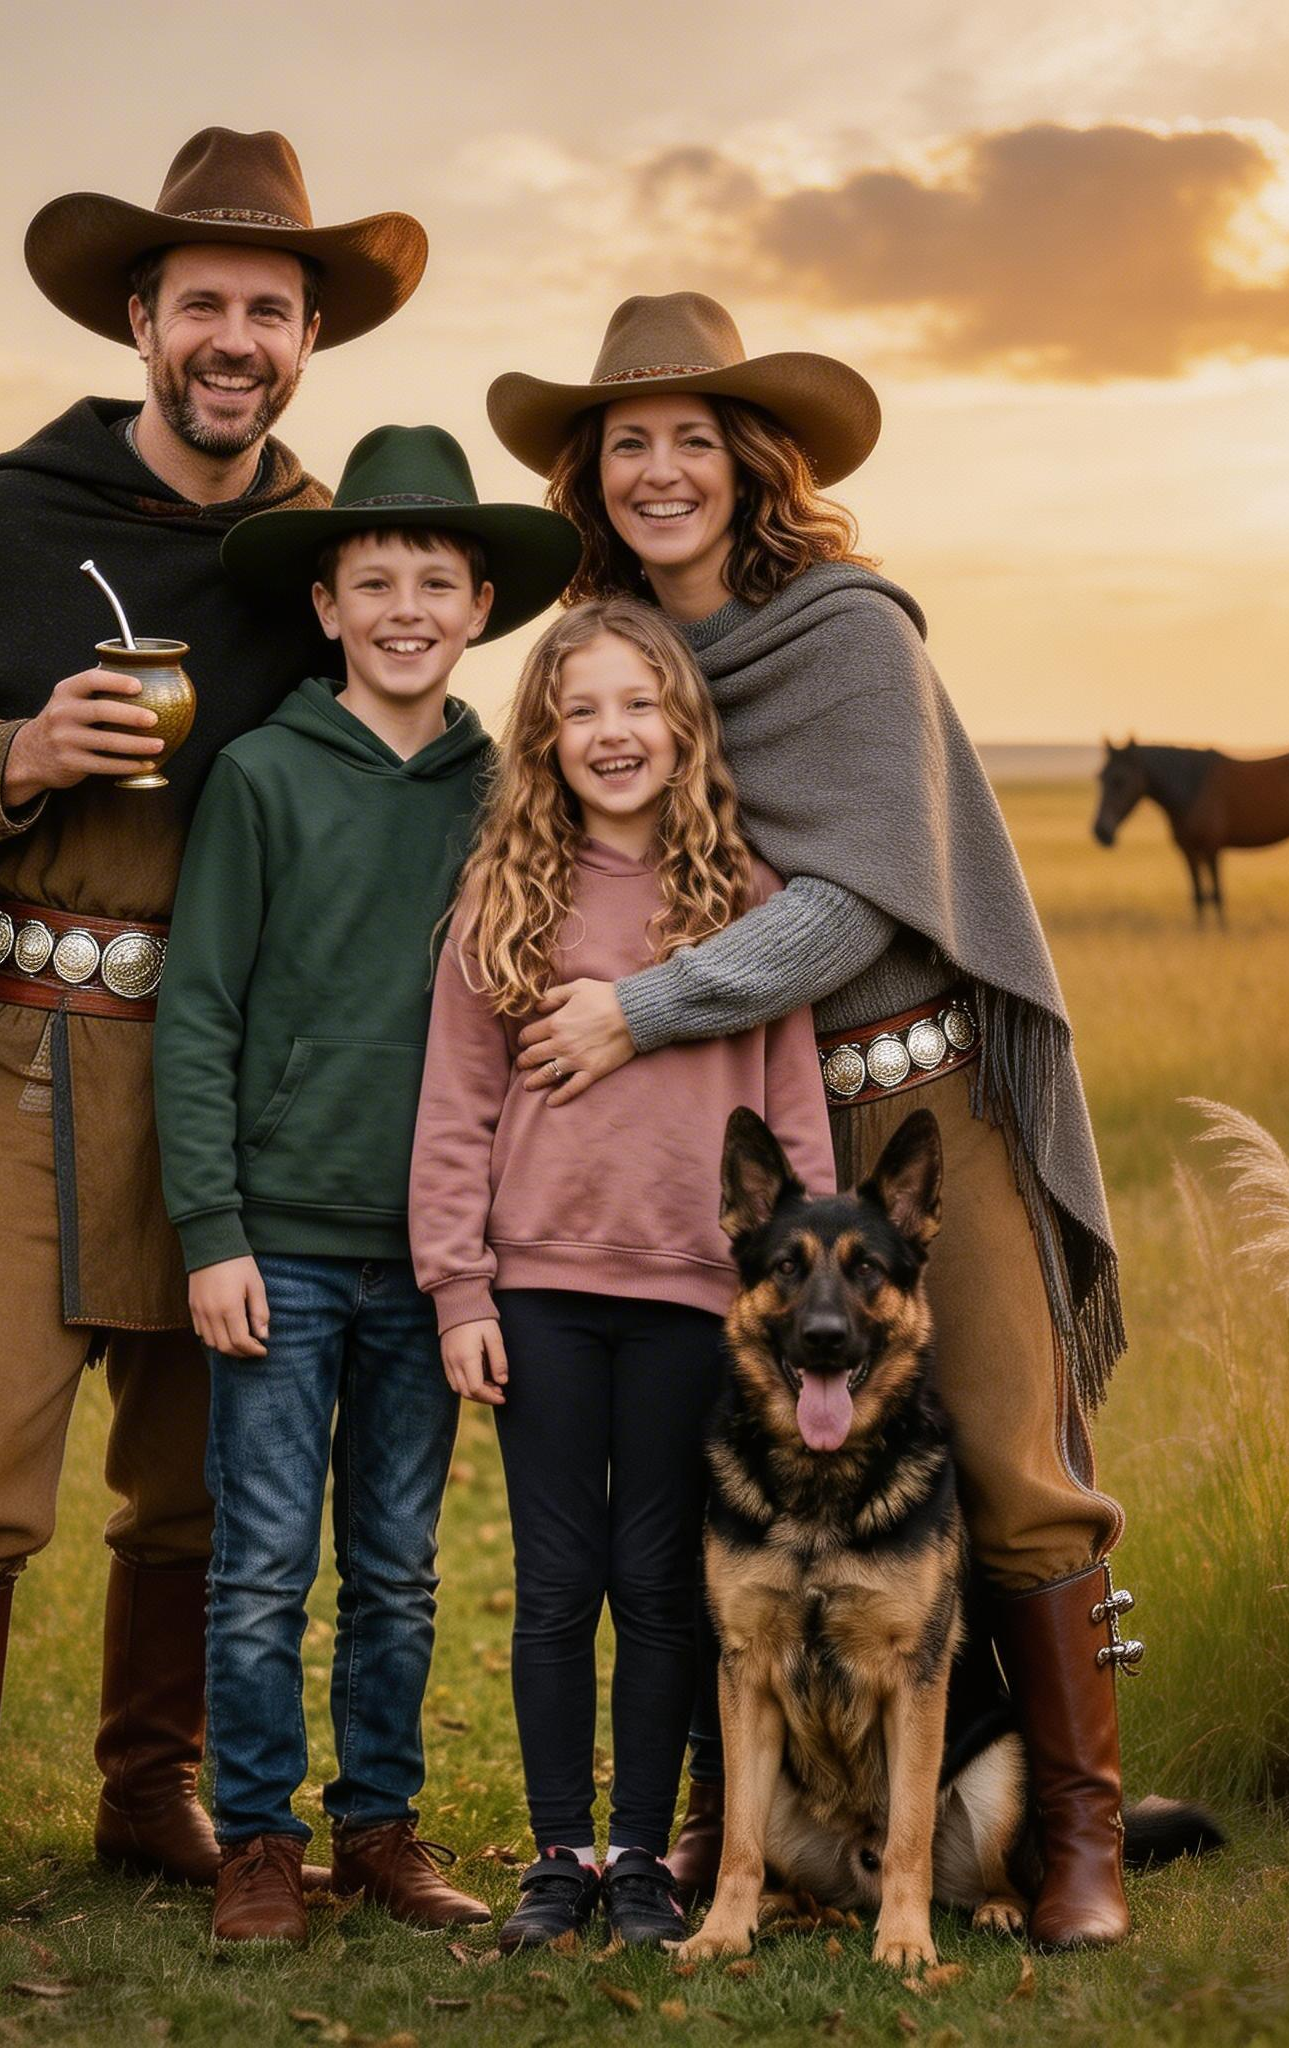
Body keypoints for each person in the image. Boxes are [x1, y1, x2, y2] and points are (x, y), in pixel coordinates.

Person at [0, 128, 428, 1946]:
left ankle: (153, 1795)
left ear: (310, 339)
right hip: (25, 1049)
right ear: (141, 319)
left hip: (241, 1083)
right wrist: (15, 756)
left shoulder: (322, 557)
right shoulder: (10, 520)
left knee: (210, 1474)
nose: (236, 340)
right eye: (203, 302)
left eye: (271, 310)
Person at [484, 293, 1142, 1950]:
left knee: (1008, 1451)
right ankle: (739, 1818)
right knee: (733, 1469)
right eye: (625, 444)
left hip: (914, 1098)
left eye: (691, 441)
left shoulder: (848, 635)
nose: (658, 472)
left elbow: (847, 906)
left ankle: (1076, 1835)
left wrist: (641, 1007)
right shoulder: (616, 659)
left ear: (753, 460)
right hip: (737, 1128)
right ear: (588, 475)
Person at [154, 425, 580, 1943]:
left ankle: (382, 1829)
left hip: (432, 1255)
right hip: (277, 1244)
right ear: (327, 606)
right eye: (376, 582)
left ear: (481, 609)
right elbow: (198, 1013)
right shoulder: (261, 775)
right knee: (264, 1563)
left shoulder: (508, 795)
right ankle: (261, 1842)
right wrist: (212, 1230)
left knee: (396, 1566)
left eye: (438, 583)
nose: (408, 609)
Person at [410, 598, 836, 1952]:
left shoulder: (747, 902)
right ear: (544, 736)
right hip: (537, 1292)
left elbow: (794, 1112)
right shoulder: (507, 897)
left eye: (639, 705)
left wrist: (796, 1303)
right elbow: (454, 1110)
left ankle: (643, 1857)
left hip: (695, 1302)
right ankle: (558, 1856)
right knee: (555, 1581)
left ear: (684, 727)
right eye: (580, 708)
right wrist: (459, 1289)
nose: (612, 733)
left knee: (660, 1584)